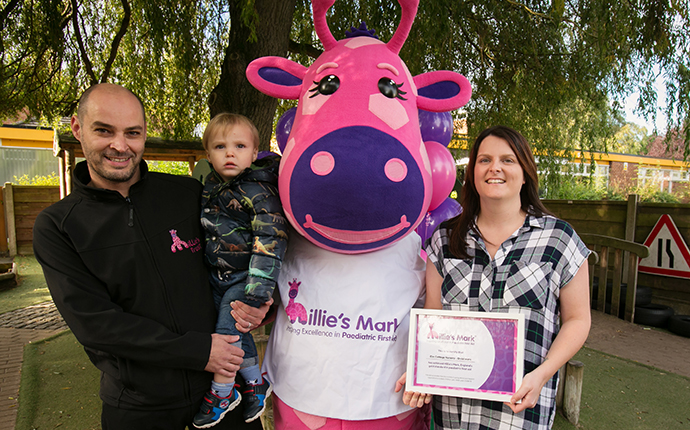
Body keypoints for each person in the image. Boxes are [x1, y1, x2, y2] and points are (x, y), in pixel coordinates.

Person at [33, 83, 270, 430]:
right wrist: (198, 351)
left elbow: (245, 249)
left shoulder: (188, 194)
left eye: (133, 133)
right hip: (140, 407)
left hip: (222, 397)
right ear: (77, 128)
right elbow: (97, 326)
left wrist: (263, 300)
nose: (120, 145)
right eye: (104, 131)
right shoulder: (58, 226)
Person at [396, 125, 592, 429]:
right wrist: (423, 368)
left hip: (520, 412)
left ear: (525, 172)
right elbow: (433, 312)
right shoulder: (445, 239)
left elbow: (578, 320)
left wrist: (543, 374)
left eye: (508, 160)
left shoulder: (559, 240)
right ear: (472, 172)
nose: (495, 168)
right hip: (453, 414)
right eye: (484, 160)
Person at [193, 113, 288, 428]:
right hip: (217, 275)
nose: (229, 153)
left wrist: (258, 291)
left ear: (254, 151)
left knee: (226, 336)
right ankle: (255, 383)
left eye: (239, 146)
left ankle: (222, 392)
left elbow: (270, 238)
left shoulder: (260, 190)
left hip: (246, 279)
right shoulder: (210, 186)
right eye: (220, 146)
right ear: (208, 154)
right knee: (239, 335)